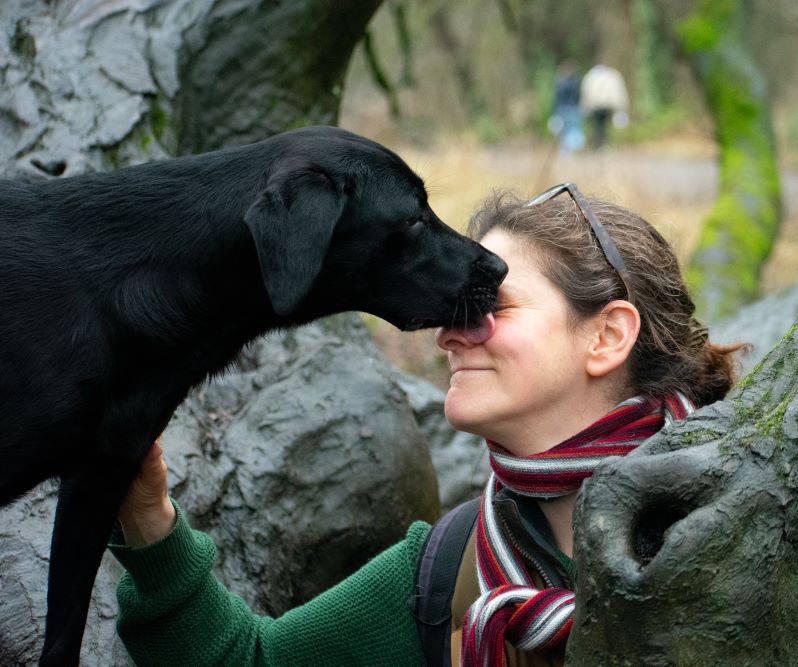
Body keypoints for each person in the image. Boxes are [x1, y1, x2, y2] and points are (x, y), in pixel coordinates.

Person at [111, 183, 745, 666]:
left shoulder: (749, 521)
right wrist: (147, 519)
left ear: (607, 336)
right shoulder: (448, 571)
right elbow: (250, 661)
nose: (446, 333)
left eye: (488, 304)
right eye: (451, 309)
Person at [579, 64, 630, 150]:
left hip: (597, 105)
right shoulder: (611, 76)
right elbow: (618, 92)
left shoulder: (591, 76)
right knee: (601, 125)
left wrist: (585, 107)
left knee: (598, 125)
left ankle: (599, 144)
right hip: (604, 105)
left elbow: (586, 93)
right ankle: (601, 143)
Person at [547, 60, 585, 154]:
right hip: (572, 109)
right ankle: (573, 150)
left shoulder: (560, 82)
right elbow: (579, 96)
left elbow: (556, 98)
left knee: (565, 132)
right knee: (573, 130)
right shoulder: (576, 82)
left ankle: (565, 151)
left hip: (564, 110)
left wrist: (554, 112)